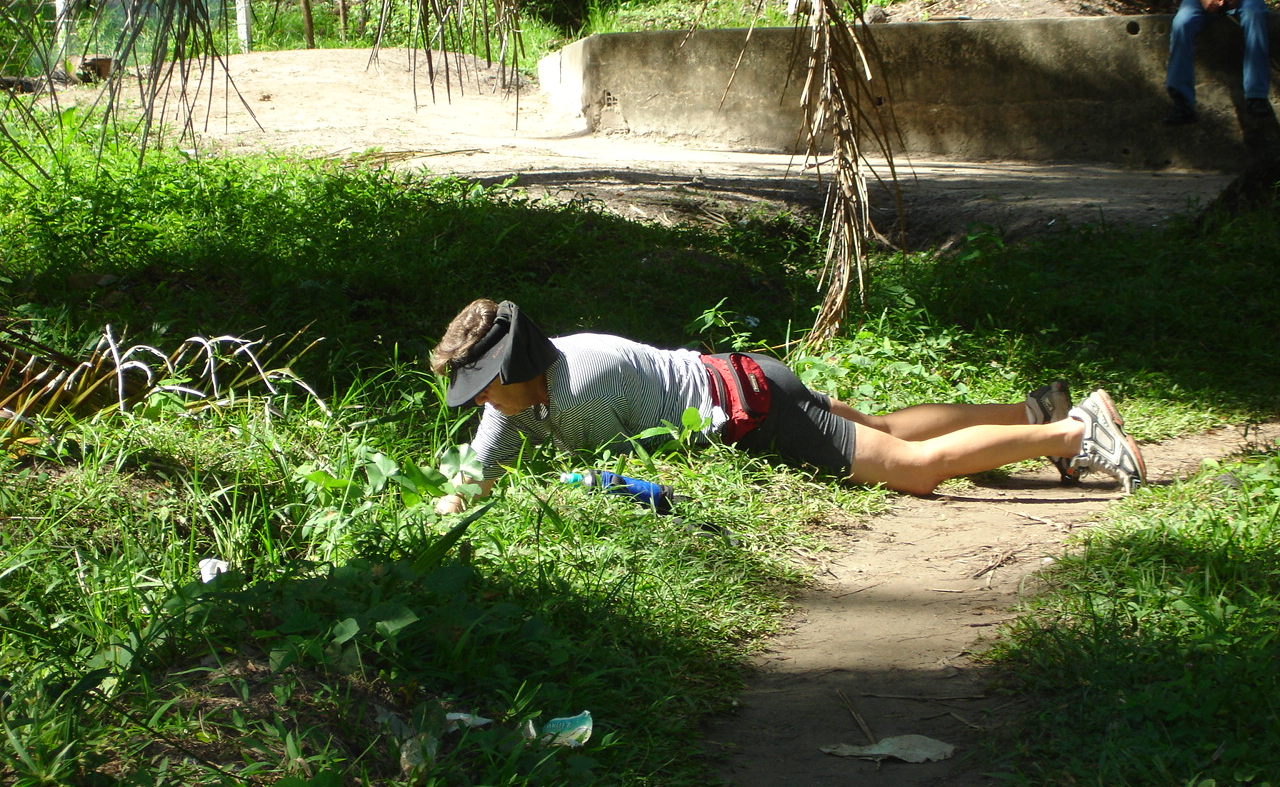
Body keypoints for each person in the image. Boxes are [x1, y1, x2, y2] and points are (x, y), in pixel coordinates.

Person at [431, 299, 1146, 514]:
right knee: (888, 426)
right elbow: (478, 470)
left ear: (515, 369)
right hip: (752, 377)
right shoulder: (526, 388)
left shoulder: (583, 388)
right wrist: (454, 499)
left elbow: (611, 482)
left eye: (486, 384)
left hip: (755, 411)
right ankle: (1032, 413)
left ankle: (1077, 430)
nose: (484, 403)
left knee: (911, 469)